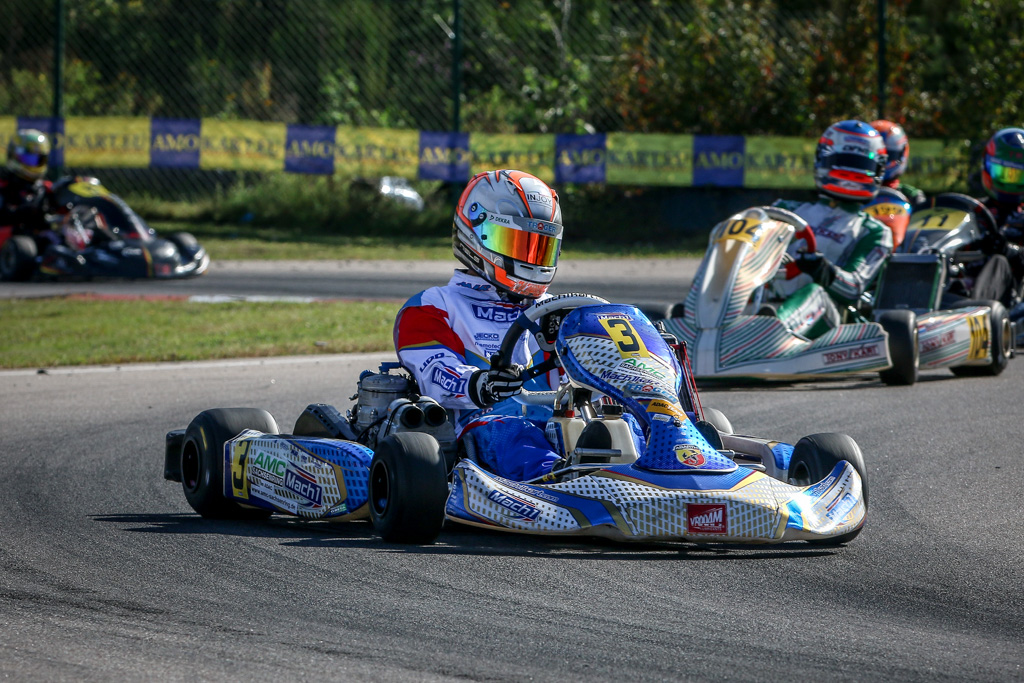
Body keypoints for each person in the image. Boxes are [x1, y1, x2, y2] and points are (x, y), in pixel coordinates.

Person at [393, 169, 567, 482]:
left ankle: (673, 467)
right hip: (482, 427)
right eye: (517, 243)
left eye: (539, 247)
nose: (531, 259)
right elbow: (435, 370)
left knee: (630, 426)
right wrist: (479, 384)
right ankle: (559, 485)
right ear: (478, 233)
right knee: (515, 435)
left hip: (563, 425)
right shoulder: (435, 305)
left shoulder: (560, 310)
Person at [765, 120, 893, 339]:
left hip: (830, 318)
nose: (851, 171)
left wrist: (823, 270)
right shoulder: (783, 209)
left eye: (860, 164)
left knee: (814, 292)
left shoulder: (874, 232)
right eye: (842, 161)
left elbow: (854, 287)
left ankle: (768, 334)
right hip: (765, 298)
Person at [965, 127, 1024, 306]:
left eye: (1017, 176)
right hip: (967, 287)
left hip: (1012, 298)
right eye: (1002, 173)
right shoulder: (973, 211)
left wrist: (1009, 251)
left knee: (998, 262)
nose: (1008, 182)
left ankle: (982, 315)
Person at [0, 129, 55, 235]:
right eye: (30, 159)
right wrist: (23, 212)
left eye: (38, 160)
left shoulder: (45, 188)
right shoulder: (4, 188)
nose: (33, 164)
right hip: (15, 242)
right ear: (15, 156)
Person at [870, 119, 927, 209]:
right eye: (875, 155)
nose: (882, 162)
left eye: (889, 155)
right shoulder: (855, 192)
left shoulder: (912, 196)